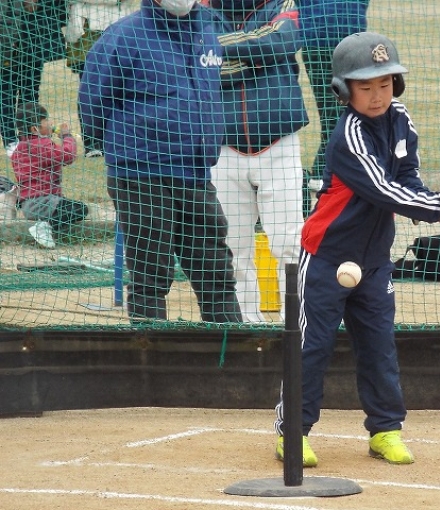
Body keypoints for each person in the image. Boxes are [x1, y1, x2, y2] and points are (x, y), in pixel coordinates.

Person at [273, 32, 440, 467]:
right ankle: (293, 433)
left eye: (386, 83)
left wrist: (430, 201)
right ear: (345, 90)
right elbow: (382, 189)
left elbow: (407, 178)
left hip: (374, 260)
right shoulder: (349, 135)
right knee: (312, 347)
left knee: (379, 347)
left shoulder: (400, 118)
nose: (378, 95)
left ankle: (385, 430)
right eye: (365, 87)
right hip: (326, 257)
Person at [78, 0, 242, 324]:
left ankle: (230, 348)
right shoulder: (123, 36)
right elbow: (93, 100)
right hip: (140, 173)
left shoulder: (207, 32)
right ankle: (150, 351)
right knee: (151, 276)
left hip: (196, 171)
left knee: (217, 274)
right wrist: (121, 148)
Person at [210, 0, 308, 323]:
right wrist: (259, 58)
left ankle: (299, 327)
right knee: (231, 247)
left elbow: (282, 41)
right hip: (223, 149)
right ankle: (245, 329)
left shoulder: (280, 3)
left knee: (290, 243)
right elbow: (193, 60)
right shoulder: (201, 11)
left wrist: (219, 55)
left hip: (278, 145)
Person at [295, 0, 370, 217]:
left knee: (346, 113)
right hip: (321, 40)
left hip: (351, 41)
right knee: (336, 114)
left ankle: (324, 170)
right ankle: (324, 173)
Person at [65, 0, 138, 158]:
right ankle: (92, 143)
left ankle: (119, 138)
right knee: (90, 87)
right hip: (87, 28)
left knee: (122, 86)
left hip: (121, 25)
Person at [11, 102, 84, 249]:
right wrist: (67, 136)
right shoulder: (41, 144)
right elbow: (67, 156)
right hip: (42, 202)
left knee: (70, 206)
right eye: (46, 120)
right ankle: (44, 227)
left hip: (29, 205)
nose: (50, 123)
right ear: (35, 128)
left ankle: (44, 224)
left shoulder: (19, 148)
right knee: (80, 209)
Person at [1, 0, 66, 157]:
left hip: (33, 30)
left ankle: (28, 138)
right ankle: (10, 140)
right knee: (6, 92)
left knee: (30, 90)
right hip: (7, 33)